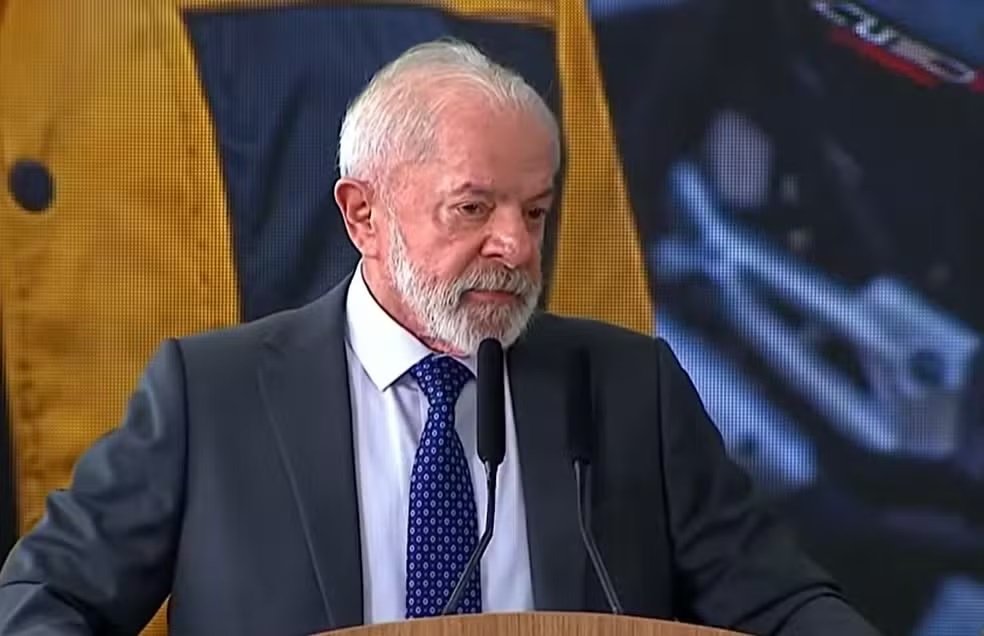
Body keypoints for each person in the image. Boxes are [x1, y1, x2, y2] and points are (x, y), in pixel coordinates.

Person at [0, 40, 879, 635]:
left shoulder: (625, 387)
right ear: (363, 214)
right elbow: (44, 598)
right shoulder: (211, 396)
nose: (517, 247)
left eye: (535, 211)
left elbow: (785, 604)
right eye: (473, 208)